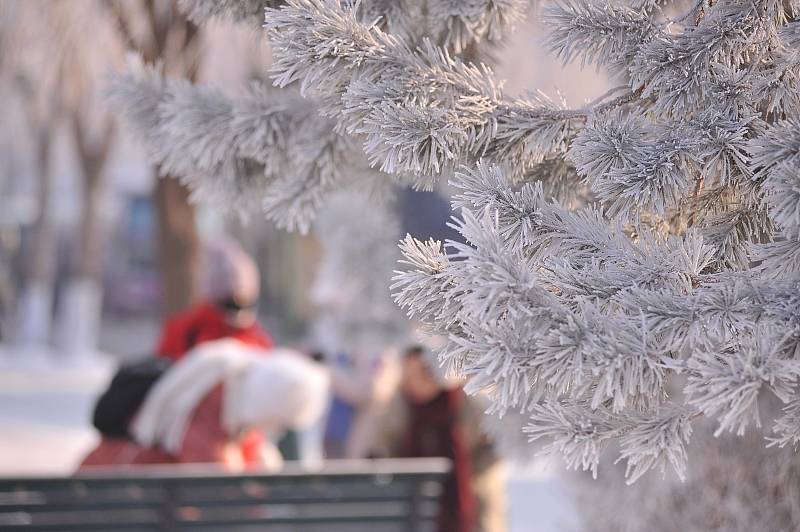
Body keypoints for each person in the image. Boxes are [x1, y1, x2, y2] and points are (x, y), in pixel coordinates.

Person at [79, 339, 329, 471]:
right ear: (273, 405)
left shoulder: (238, 382)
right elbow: (214, 486)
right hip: (119, 495)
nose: (277, 429)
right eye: (280, 420)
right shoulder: (214, 399)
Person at [374, 345, 507, 532]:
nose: (414, 383)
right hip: (417, 500)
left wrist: (470, 474)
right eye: (408, 375)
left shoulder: (468, 399)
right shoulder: (401, 404)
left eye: (421, 375)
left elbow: (499, 443)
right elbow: (386, 441)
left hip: (471, 496)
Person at [155, 237, 273, 362]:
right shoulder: (188, 332)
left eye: (245, 302)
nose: (238, 310)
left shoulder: (257, 337)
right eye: (230, 302)